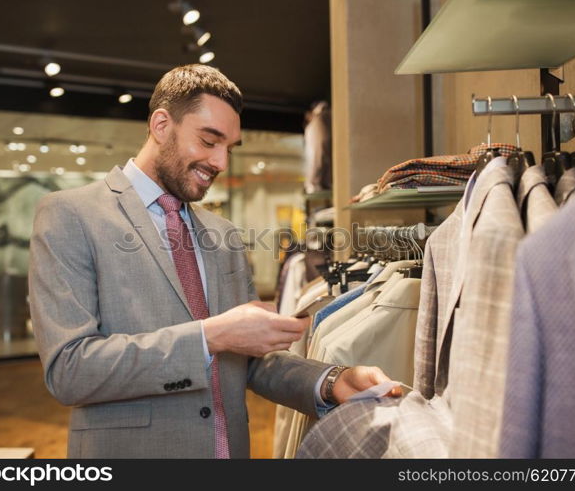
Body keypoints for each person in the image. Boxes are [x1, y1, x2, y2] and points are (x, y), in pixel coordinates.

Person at [28, 64, 400, 459]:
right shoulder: (70, 215)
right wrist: (210, 336)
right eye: (209, 141)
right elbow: (70, 370)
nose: (221, 162)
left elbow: (251, 362)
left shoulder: (223, 234)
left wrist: (331, 381)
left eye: (229, 147)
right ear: (160, 125)